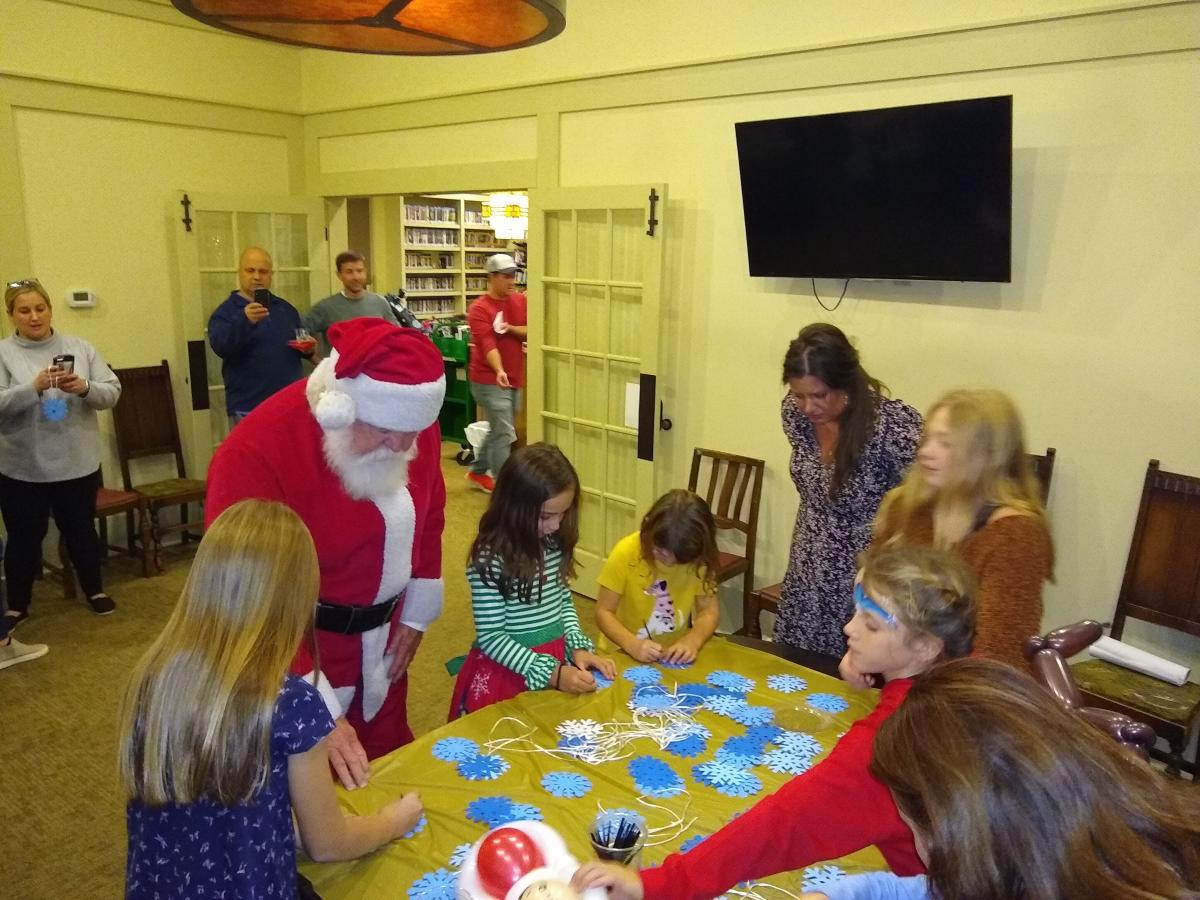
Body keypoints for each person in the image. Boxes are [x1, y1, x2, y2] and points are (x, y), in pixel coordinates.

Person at [571, 544, 976, 900]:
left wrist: (659, 884)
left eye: (869, 624)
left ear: (926, 646)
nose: (848, 628)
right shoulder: (972, 681)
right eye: (855, 611)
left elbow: (782, 826)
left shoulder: (892, 741)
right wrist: (882, 669)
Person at [120, 500, 424, 899]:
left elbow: (210, 795)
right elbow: (328, 844)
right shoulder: (292, 704)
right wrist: (390, 822)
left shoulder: (153, 676)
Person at [205, 317, 447, 788]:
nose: (400, 447)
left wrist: (417, 615)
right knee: (306, 802)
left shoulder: (408, 423)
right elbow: (239, 600)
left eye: (411, 434)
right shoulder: (253, 452)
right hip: (293, 651)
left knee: (386, 776)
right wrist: (308, 697)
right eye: (382, 432)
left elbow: (432, 511)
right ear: (338, 408)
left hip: (383, 643)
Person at [802, 658, 1200, 900]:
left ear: (956, 838)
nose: (919, 850)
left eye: (914, 831)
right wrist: (842, 892)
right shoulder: (1061, 838)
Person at [872, 388, 1053, 670]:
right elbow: (870, 596)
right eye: (927, 439)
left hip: (964, 695)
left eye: (945, 443)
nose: (925, 452)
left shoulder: (1016, 535)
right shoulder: (905, 507)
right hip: (899, 675)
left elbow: (999, 658)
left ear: (987, 456)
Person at [775, 324, 922, 657]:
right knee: (796, 673)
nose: (808, 407)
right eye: (799, 394)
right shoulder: (795, 415)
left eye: (819, 395)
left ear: (846, 385)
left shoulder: (890, 426)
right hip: (807, 563)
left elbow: (927, 497)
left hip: (860, 573)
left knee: (851, 677)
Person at [448, 443, 615, 719]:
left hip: (555, 660)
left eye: (563, 513)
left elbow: (562, 600)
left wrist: (577, 647)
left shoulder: (552, 542)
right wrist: (553, 674)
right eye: (546, 516)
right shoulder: (490, 560)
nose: (556, 525)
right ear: (514, 508)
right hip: (512, 671)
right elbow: (492, 637)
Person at [0, 278, 121, 621]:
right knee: (24, 537)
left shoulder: (80, 347)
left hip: (76, 462)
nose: (34, 317)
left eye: (40, 308)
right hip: (22, 467)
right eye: (24, 310)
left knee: (81, 530)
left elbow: (112, 393)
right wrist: (33, 388)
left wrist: (84, 387)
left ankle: (95, 589)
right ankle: (17, 605)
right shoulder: (3, 353)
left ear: (51, 310)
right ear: (11, 315)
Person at [594, 489, 720, 664]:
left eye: (678, 559)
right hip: (620, 654)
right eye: (660, 550)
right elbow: (603, 612)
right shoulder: (626, 553)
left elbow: (708, 612)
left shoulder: (699, 562)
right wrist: (632, 644)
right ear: (648, 528)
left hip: (671, 657)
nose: (668, 561)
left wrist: (692, 640)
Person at [207, 246, 316, 424]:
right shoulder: (226, 312)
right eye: (250, 270)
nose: (257, 276)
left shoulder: (286, 309)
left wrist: (309, 350)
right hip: (248, 407)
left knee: (288, 452)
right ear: (239, 272)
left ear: (271, 275)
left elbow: (298, 345)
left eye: (263, 271)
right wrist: (245, 320)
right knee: (251, 453)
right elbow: (220, 346)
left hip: (289, 403)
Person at [465, 252, 528, 493]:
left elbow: (530, 329)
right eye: (505, 276)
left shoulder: (520, 302)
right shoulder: (479, 309)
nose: (511, 280)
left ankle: (478, 472)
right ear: (491, 277)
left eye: (513, 275)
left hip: (514, 376)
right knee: (504, 431)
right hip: (488, 379)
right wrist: (499, 370)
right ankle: (505, 489)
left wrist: (509, 328)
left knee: (500, 427)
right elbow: (487, 344)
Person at [303, 250, 400, 358]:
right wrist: (320, 364)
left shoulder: (380, 302)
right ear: (339, 275)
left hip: (376, 370)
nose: (356, 277)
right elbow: (300, 335)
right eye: (349, 272)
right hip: (341, 373)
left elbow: (397, 336)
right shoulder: (325, 308)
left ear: (365, 272)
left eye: (360, 271)